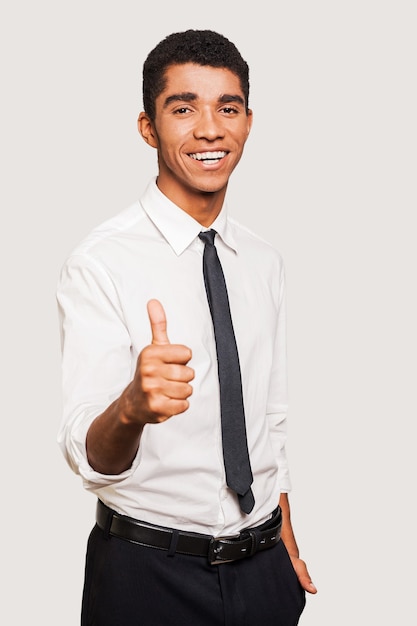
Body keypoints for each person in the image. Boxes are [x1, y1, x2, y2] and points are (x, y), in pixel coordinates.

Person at [57, 29, 317, 626]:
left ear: (248, 122)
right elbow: (86, 455)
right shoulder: (99, 263)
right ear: (147, 127)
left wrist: (287, 544)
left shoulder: (262, 261)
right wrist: (131, 407)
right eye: (183, 108)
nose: (209, 129)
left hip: (264, 572)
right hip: (147, 576)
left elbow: (266, 422)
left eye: (227, 108)